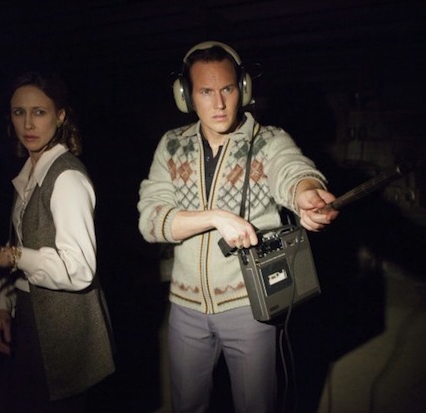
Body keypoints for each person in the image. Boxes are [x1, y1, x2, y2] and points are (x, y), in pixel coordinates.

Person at [137, 41, 339, 413]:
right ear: (186, 96)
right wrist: (215, 217)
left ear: (243, 89)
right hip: (185, 310)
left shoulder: (270, 140)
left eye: (227, 89)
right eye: (205, 92)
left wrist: (306, 193)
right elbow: (150, 221)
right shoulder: (171, 145)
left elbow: (292, 169)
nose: (219, 103)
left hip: (249, 308)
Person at [0, 71, 115, 412]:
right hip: (30, 319)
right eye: (19, 112)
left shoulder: (67, 177)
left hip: (65, 330)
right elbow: (17, 244)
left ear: (60, 116)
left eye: (39, 112)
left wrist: (12, 256)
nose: (27, 123)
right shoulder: (28, 173)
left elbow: (79, 269)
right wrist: (4, 306)